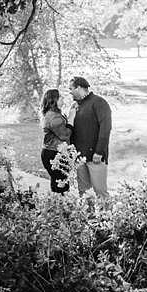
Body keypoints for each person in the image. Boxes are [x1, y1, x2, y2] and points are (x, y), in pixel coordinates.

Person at [68, 76, 110, 207]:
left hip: (95, 157)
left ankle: (108, 220)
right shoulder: (74, 106)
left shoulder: (99, 103)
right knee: (83, 192)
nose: (69, 92)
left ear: (79, 88)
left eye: (71, 89)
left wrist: (99, 151)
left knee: (100, 191)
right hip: (79, 158)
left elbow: (105, 128)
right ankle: (88, 221)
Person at [39, 88, 73, 194]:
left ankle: (56, 207)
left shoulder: (55, 114)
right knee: (62, 187)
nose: (63, 97)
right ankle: (61, 208)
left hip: (55, 152)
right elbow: (64, 135)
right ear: (54, 100)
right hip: (54, 154)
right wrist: (71, 118)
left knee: (57, 186)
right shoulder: (54, 117)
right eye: (60, 96)